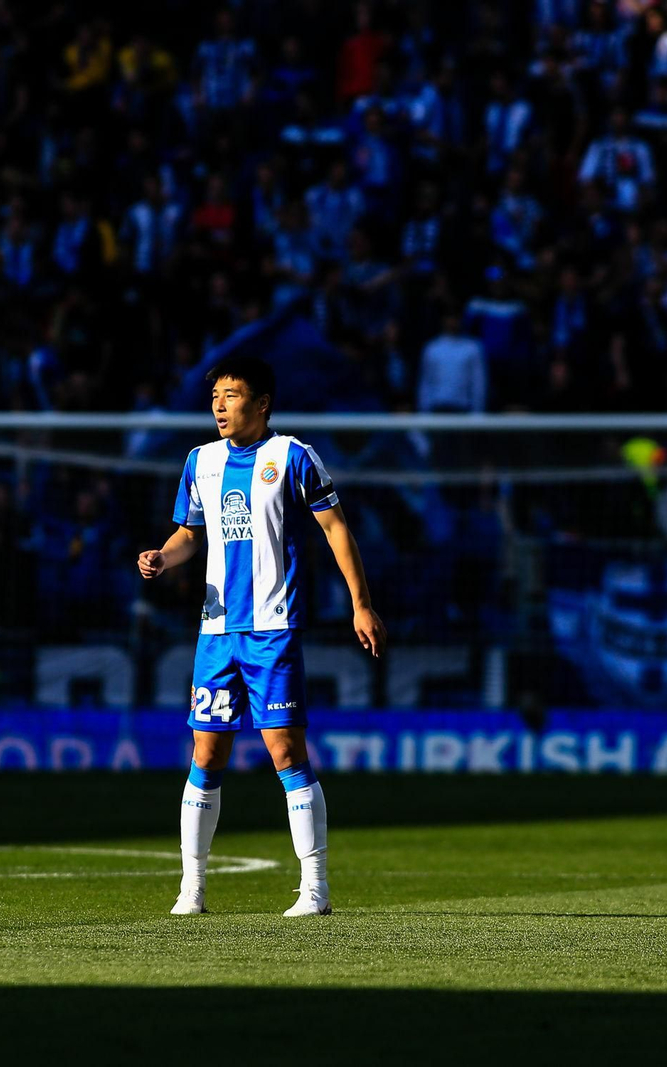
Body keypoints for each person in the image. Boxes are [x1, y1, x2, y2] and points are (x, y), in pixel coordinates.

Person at [135, 355, 385, 918]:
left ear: (262, 403)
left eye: (231, 394)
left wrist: (361, 604)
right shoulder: (200, 462)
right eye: (215, 396)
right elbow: (188, 535)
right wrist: (162, 557)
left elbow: (335, 528)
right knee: (205, 752)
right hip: (217, 632)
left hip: (273, 629)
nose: (219, 405)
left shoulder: (292, 457)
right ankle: (192, 890)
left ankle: (314, 889)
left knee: (285, 750)